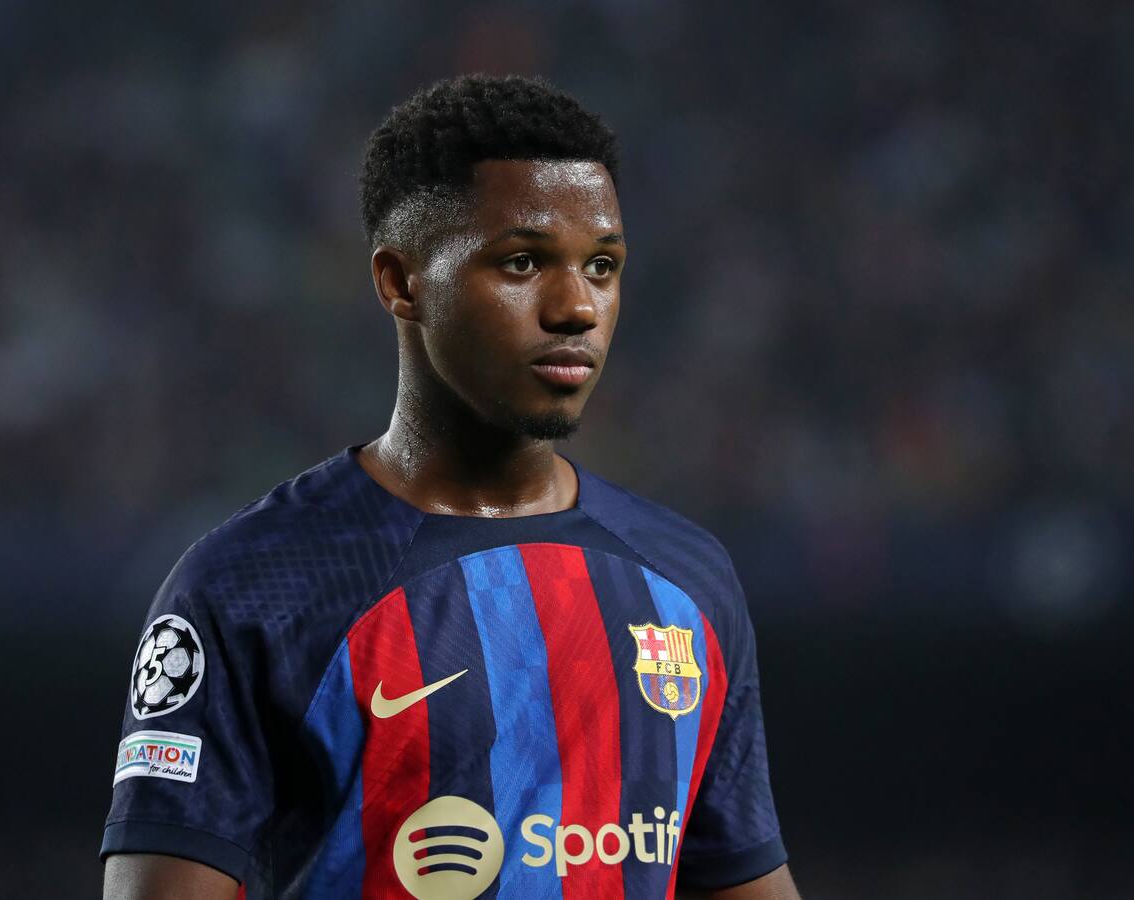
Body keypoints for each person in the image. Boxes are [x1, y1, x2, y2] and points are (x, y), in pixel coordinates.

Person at [101, 73, 800, 900]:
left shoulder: (688, 581)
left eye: (602, 266)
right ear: (401, 282)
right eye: (522, 262)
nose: (577, 307)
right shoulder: (251, 587)